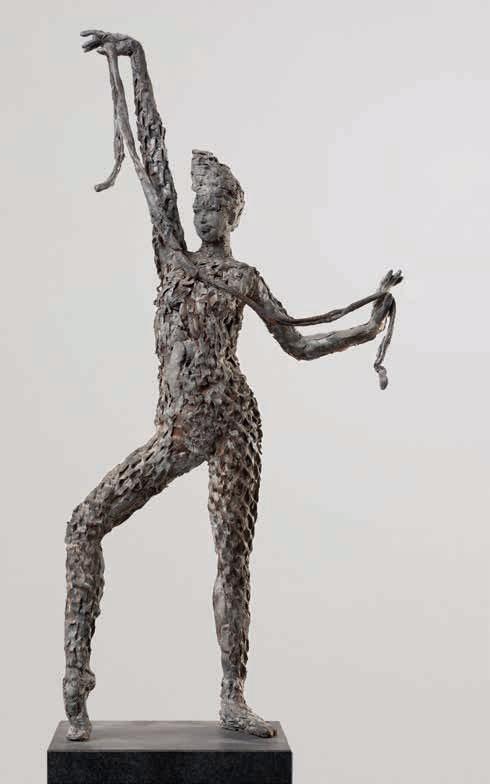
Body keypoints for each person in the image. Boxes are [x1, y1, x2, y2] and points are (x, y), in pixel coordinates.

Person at [63, 30, 402, 741]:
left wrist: (367, 328)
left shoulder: (242, 278)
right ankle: (75, 681)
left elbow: (297, 341)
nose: (201, 209)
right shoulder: (172, 258)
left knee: (232, 559)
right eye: (198, 200)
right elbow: (153, 156)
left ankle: (232, 694)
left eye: (215, 201)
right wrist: (137, 64)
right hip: (178, 429)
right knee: (85, 523)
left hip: (234, 424)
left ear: (233, 212)